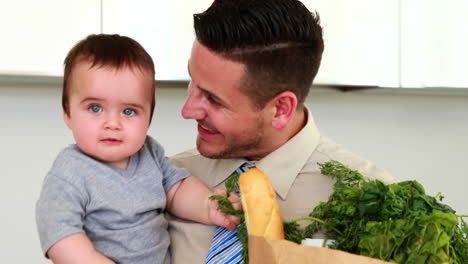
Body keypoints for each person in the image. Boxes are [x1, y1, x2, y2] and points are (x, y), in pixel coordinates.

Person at [167, 0, 397, 263]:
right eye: (191, 81)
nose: (187, 110)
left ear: (280, 109)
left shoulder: (375, 201)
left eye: (214, 99)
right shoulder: (160, 181)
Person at [35, 34, 241, 264]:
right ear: (67, 113)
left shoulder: (149, 153)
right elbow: (61, 238)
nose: (112, 123)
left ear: (148, 119)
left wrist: (206, 205)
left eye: (129, 111)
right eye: (95, 108)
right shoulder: (69, 172)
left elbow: (177, 190)